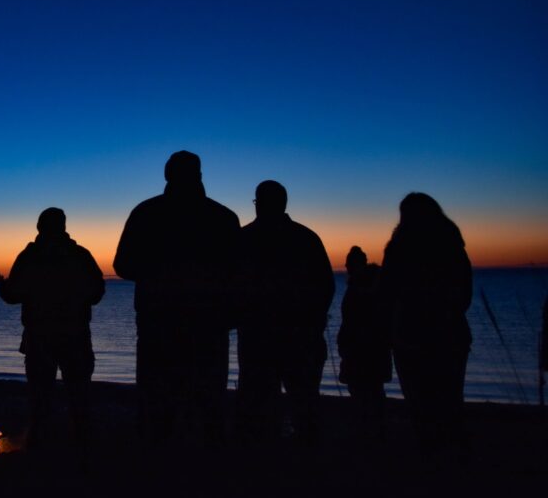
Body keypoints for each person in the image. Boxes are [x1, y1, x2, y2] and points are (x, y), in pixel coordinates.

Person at [113, 151, 240, 445]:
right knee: (208, 401)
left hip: (160, 323)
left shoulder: (146, 213)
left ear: (168, 175)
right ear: (199, 175)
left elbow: (123, 265)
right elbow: (238, 273)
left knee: (158, 401)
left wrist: (156, 273)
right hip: (208, 325)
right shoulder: (223, 217)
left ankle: (158, 463)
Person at [0, 207, 105, 456]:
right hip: (75, 335)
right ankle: (82, 449)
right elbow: (97, 292)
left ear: (40, 227)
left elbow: (14, 294)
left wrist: (3, 288)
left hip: (41, 337)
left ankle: (39, 448)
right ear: (63, 226)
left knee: (40, 398)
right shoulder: (80, 255)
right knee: (79, 395)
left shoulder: (30, 256)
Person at [236, 180, 334, 444]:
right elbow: (325, 285)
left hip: (259, 336)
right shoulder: (306, 238)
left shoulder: (244, 239)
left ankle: (266, 456)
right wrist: (314, 319)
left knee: (260, 403)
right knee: (303, 401)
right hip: (300, 335)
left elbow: (232, 286)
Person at [381, 192, 472, 454]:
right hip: (451, 335)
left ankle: (432, 453)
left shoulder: (399, 248)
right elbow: (464, 293)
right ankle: (454, 453)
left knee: (419, 400)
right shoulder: (452, 246)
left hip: (410, 337)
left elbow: (386, 293)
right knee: (451, 398)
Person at [336, 246, 391, 440]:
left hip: (360, 350)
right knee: (373, 391)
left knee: (363, 391)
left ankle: (368, 431)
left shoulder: (358, 290)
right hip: (374, 349)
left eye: (349, 263)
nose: (346, 266)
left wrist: (345, 341)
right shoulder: (375, 288)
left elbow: (352, 322)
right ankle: (375, 429)